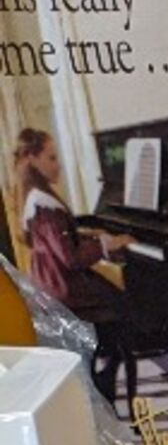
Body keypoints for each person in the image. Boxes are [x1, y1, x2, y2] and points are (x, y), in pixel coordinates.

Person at [13, 129, 122, 329]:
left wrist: (89, 236)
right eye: (52, 158)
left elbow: (57, 240)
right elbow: (71, 258)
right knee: (121, 297)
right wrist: (105, 244)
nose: (58, 165)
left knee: (113, 288)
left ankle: (114, 351)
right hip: (64, 290)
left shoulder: (34, 198)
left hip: (50, 282)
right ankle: (117, 350)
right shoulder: (44, 205)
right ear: (33, 159)